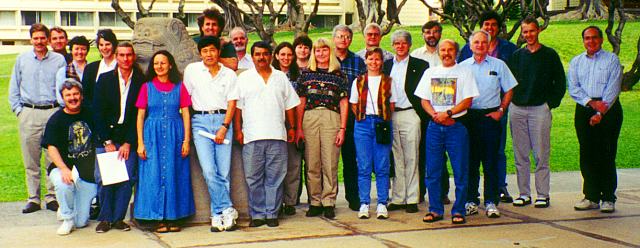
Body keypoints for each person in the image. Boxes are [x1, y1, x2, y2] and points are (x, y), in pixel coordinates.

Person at [235, 41, 300, 227]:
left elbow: (290, 106)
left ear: (271, 56)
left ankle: (272, 213)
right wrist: (239, 130)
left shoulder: (280, 77)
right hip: (252, 135)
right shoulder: (244, 78)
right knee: (253, 178)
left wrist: (292, 128)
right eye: (257, 54)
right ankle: (257, 215)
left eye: (265, 54)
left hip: (277, 135)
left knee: (276, 177)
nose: (261, 57)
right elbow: (238, 107)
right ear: (252, 56)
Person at [415, 39, 478, 225]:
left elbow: (468, 101)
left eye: (450, 50)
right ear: (439, 53)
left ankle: (458, 210)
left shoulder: (465, 72)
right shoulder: (430, 72)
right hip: (435, 126)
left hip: (456, 126)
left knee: (460, 170)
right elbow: (424, 100)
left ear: (456, 52)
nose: (446, 53)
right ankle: (435, 209)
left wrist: (449, 113)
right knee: (432, 170)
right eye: (443, 50)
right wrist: (436, 115)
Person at [458, 11, 518, 203]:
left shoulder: (499, 65)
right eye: (476, 43)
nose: (480, 46)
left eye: (484, 43)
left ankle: (491, 201)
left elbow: (509, 88)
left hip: (491, 116)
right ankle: (471, 200)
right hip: (469, 117)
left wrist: (501, 110)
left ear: (488, 44)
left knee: (491, 160)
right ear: (470, 45)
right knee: (471, 160)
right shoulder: (463, 66)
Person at [507, 17, 566, 208]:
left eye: (532, 31)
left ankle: (543, 194)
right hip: (517, 109)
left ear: (538, 31)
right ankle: (524, 193)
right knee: (521, 153)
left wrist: (550, 104)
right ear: (522, 34)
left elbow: (560, 83)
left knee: (541, 153)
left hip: (540, 109)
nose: (529, 35)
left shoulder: (550, 55)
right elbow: (508, 83)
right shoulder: (516, 56)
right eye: (525, 32)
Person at [134, 50, 195, 232]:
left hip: (175, 135)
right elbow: (140, 115)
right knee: (152, 175)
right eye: (156, 63)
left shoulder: (179, 87)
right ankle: (156, 218)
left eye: (163, 63)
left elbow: (185, 113)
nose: (159, 66)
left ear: (170, 65)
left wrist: (186, 140)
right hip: (152, 135)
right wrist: (140, 143)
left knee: (175, 174)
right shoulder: (146, 87)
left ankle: (173, 217)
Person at [184, 36, 240, 232]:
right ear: (200, 53)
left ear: (218, 52)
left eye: (212, 50)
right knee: (209, 171)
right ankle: (227, 208)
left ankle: (217, 215)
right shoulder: (192, 71)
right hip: (200, 122)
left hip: (223, 121)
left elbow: (232, 102)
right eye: (205, 51)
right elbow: (186, 99)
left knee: (223, 172)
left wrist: (225, 126)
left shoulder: (229, 74)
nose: (209, 54)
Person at [9, 23, 66, 214]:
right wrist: (19, 110)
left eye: (43, 38)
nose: (40, 41)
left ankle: (52, 197)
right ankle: (33, 198)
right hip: (29, 112)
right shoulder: (22, 59)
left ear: (47, 39)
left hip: (52, 112)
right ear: (31, 39)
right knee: (31, 158)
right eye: (36, 38)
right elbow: (14, 87)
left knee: (52, 157)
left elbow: (63, 86)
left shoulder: (58, 60)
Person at [569, 26, 623, 213]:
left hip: (608, 110)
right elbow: (574, 88)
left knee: (606, 153)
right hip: (585, 108)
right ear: (583, 40)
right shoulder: (576, 62)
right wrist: (591, 103)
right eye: (586, 38)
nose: (590, 41)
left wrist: (601, 112)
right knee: (587, 153)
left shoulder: (612, 60)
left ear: (601, 40)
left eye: (594, 38)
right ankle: (591, 196)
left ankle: (608, 197)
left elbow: (613, 88)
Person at [92, 42, 144, 233]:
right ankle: (105, 218)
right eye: (121, 55)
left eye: (129, 55)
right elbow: (97, 112)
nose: (125, 59)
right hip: (106, 136)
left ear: (133, 57)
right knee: (105, 178)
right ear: (116, 56)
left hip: (128, 136)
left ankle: (118, 218)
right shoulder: (105, 79)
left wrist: (129, 142)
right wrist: (107, 141)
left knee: (126, 178)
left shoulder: (140, 80)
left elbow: (139, 114)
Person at [295, 38, 348, 219]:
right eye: (317, 51)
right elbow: (301, 102)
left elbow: (343, 102)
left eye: (325, 50)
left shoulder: (339, 75)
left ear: (330, 52)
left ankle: (329, 201)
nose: (321, 54)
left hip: (331, 117)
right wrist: (299, 128)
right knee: (312, 162)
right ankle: (315, 201)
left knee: (330, 161)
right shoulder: (306, 75)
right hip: (310, 117)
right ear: (313, 53)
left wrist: (342, 128)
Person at [42, 79, 97, 235]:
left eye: (76, 94)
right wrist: (64, 169)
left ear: (81, 95)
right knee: (63, 184)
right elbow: (51, 148)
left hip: (86, 172)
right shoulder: (56, 119)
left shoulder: (90, 113)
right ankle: (67, 217)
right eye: (68, 95)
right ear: (62, 98)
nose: (73, 98)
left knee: (81, 223)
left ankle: (67, 206)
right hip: (63, 167)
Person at [382, 30, 428, 214]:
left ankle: (412, 198)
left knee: (412, 156)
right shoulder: (386, 65)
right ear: (392, 46)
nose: (400, 46)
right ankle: (398, 197)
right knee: (396, 157)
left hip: (411, 114)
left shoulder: (420, 65)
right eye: (396, 43)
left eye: (403, 43)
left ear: (409, 45)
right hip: (391, 115)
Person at [350, 47, 397, 220]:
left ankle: (382, 203)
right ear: (366, 61)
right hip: (362, 124)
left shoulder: (389, 81)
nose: (374, 62)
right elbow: (353, 103)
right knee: (363, 165)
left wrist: (382, 118)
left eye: (377, 59)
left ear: (382, 62)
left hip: (382, 123)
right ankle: (364, 203)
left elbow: (392, 105)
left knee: (382, 165)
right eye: (370, 59)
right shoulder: (359, 81)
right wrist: (363, 117)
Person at [410, 21, 451, 204]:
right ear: (423, 34)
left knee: (440, 154)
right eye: (428, 32)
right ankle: (419, 191)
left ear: (440, 33)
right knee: (420, 152)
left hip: (445, 112)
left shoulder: (447, 54)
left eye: (435, 32)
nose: (431, 35)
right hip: (422, 111)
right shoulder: (416, 55)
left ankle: (442, 192)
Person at [332, 24, 366, 211]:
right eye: (339, 36)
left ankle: (353, 196)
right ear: (334, 38)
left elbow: (363, 89)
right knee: (328, 160)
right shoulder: (326, 58)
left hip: (351, 116)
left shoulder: (358, 61)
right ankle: (326, 198)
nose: (343, 40)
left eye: (346, 37)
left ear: (351, 40)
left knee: (351, 157)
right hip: (330, 113)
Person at [272, 42, 302, 216]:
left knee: (293, 165)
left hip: (293, 124)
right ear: (276, 56)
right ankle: (276, 201)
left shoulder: (300, 76)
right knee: (276, 166)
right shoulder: (271, 74)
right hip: (274, 124)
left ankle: (290, 201)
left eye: (289, 55)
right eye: (282, 54)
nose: (286, 58)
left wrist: (296, 127)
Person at [82, 29, 118, 107]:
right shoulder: (90, 68)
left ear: (114, 45)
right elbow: (86, 95)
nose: (104, 48)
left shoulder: (121, 67)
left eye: (108, 44)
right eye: (101, 45)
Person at [56, 36, 90, 106]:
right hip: (70, 110)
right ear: (71, 50)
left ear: (87, 51)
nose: (80, 52)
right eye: (76, 49)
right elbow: (60, 98)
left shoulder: (94, 69)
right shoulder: (63, 71)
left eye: (83, 49)